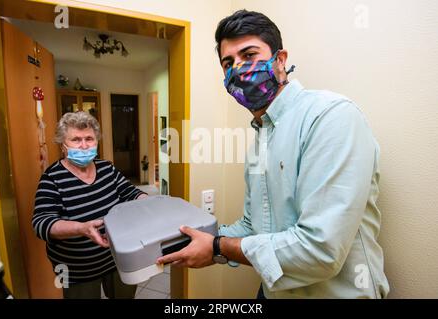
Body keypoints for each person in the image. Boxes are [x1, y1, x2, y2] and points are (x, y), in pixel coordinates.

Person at [157, 9, 389, 298]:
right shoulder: (259, 141)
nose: (238, 69)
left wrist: (217, 247)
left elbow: (321, 251)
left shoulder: (330, 117)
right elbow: (254, 225)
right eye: (228, 63)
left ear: (280, 60)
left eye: (249, 55)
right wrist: (207, 238)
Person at [32, 112, 147, 299]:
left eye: (89, 138)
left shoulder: (107, 169)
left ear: (97, 142)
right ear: (63, 145)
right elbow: (42, 223)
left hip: (117, 258)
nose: (84, 145)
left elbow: (131, 193)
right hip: (77, 270)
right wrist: (81, 228)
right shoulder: (51, 178)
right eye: (76, 139)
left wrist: (149, 204)